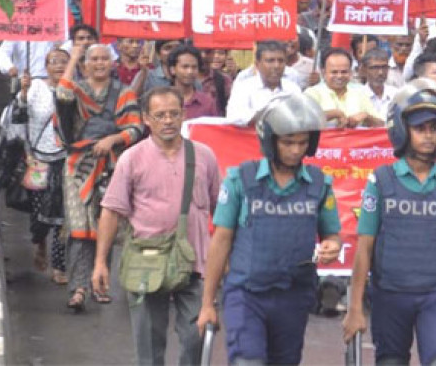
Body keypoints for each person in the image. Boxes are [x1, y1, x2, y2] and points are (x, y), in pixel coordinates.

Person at [197, 94, 342, 365]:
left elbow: (332, 235)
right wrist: (207, 304)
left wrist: (332, 246)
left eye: (302, 142)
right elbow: (221, 241)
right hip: (246, 295)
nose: (296, 150)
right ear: (270, 140)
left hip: (295, 296)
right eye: (288, 142)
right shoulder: (241, 179)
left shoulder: (319, 184)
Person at [91, 87, 221, 365]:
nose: (168, 121)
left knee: (195, 337)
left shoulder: (204, 156)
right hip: (145, 262)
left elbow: (220, 212)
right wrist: (101, 262)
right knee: (148, 344)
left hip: (195, 262)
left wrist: (226, 258)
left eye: (174, 114)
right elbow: (112, 211)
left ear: (184, 115)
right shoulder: (132, 158)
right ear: (146, 119)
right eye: (160, 115)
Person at [342, 87, 436, 366]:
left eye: (434, 128)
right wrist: (355, 308)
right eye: (420, 128)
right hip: (390, 295)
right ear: (402, 131)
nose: (428, 135)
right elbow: (365, 246)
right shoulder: (381, 181)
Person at [55, 42, 143, 311]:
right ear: (86, 64)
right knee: (80, 227)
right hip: (78, 165)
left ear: (112, 63)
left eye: (105, 58)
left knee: (108, 228)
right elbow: (62, 94)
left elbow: (136, 128)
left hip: (113, 165)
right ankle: (78, 287)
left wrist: (113, 139)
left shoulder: (124, 92)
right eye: (94, 59)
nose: (100, 63)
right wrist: (75, 56)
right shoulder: (78, 89)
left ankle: (101, 283)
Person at [17, 48, 71, 284]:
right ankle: (39, 242)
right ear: (46, 65)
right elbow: (19, 114)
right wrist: (23, 91)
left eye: (63, 62)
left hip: (66, 158)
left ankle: (60, 265)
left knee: (63, 213)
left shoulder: (76, 89)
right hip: (38, 158)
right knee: (39, 212)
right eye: (53, 62)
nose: (59, 66)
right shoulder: (36, 87)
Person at [226, 41, 304, 126]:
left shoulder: (293, 89)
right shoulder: (243, 88)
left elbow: (301, 118)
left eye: (281, 61)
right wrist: (263, 115)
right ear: (257, 64)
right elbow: (233, 118)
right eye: (270, 61)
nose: (276, 66)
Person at [305, 48, 383, 129]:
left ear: (350, 72)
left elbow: (382, 125)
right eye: (334, 72)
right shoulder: (312, 93)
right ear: (324, 72)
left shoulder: (359, 93)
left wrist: (367, 117)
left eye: (344, 72)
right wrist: (334, 114)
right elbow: (304, 120)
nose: (339, 76)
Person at [168, 45, 220, 120]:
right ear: (173, 70)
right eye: (185, 67)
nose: (190, 71)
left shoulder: (207, 102)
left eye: (194, 67)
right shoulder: (161, 100)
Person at [361, 48, 395, 118]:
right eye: (375, 68)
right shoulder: (357, 96)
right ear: (364, 69)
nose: (380, 72)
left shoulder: (396, 95)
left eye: (384, 67)